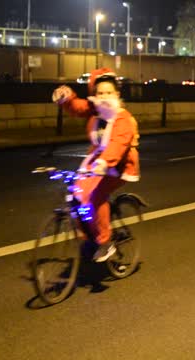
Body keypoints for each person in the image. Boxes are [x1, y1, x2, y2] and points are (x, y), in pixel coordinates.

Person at [52, 68, 140, 262]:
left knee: (96, 195)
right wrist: (66, 98)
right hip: (96, 162)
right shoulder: (96, 110)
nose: (105, 96)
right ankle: (90, 236)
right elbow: (77, 106)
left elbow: (119, 143)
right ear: (95, 95)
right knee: (76, 194)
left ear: (117, 94)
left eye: (109, 92)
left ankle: (105, 242)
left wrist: (104, 162)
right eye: (100, 93)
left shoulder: (122, 118)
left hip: (118, 165)